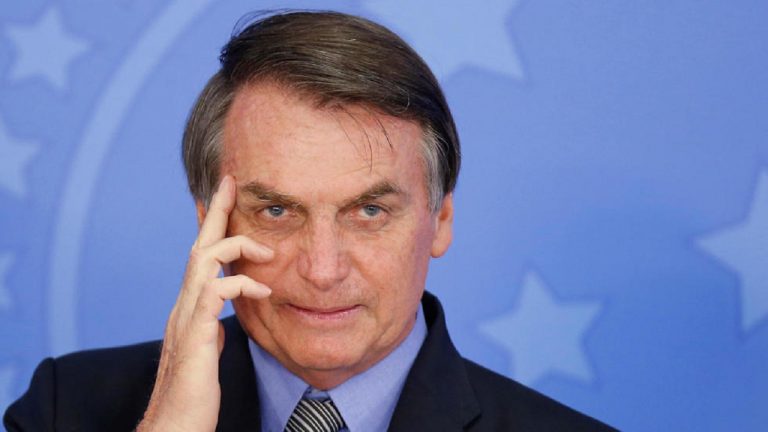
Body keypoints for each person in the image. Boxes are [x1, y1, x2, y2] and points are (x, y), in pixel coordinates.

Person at [4, 10, 615, 432]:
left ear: (441, 218)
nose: (322, 270)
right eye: (276, 211)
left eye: (369, 212)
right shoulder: (67, 409)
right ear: (211, 224)